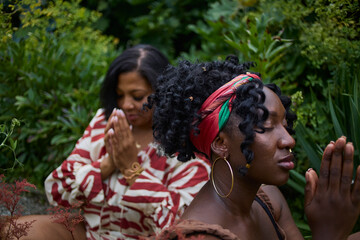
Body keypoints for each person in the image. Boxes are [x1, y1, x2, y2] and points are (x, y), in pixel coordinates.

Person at [146, 55, 360, 240]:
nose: (289, 140)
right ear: (220, 143)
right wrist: (329, 234)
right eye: (266, 126)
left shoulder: (268, 199)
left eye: (285, 126)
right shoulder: (198, 236)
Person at [10, 45, 210, 240]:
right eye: (120, 95)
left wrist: (132, 169)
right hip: (90, 232)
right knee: (16, 230)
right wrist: (108, 164)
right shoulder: (106, 121)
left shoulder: (185, 145)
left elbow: (180, 227)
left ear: (165, 92)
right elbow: (58, 191)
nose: (126, 105)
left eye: (137, 96)